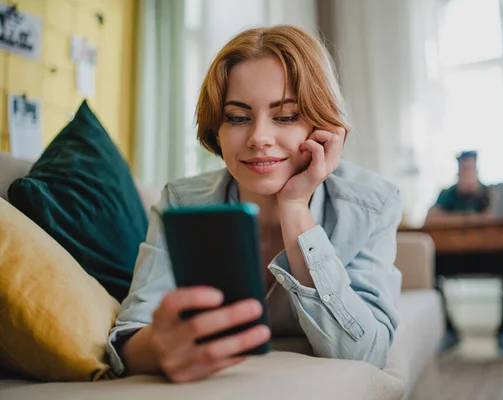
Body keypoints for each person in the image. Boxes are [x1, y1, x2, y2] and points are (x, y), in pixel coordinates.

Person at [106, 25, 403, 383]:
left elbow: (366, 353)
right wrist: (156, 348)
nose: (259, 138)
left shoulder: (372, 204)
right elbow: (129, 340)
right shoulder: (181, 202)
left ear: (323, 125)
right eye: (238, 117)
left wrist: (294, 206)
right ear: (217, 127)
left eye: (287, 116)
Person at [425, 151, 503, 359]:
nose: (467, 173)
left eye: (471, 169)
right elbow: (431, 219)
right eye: (463, 169)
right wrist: (470, 217)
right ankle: (449, 331)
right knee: (428, 267)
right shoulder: (447, 193)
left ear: (477, 170)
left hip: (488, 257)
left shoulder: (490, 193)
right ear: (458, 171)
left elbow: (499, 219)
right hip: (455, 259)